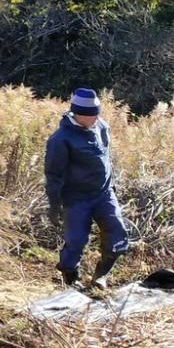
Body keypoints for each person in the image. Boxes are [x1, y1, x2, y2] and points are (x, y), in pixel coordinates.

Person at [43, 87, 132, 288]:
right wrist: (54, 204)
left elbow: (106, 158)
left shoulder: (102, 127)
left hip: (104, 194)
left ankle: (100, 276)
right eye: (91, 116)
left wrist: (112, 186)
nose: (95, 118)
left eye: (96, 114)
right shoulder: (61, 139)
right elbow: (53, 174)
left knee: (118, 236)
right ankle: (70, 279)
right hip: (76, 198)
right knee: (76, 241)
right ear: (78, 114)